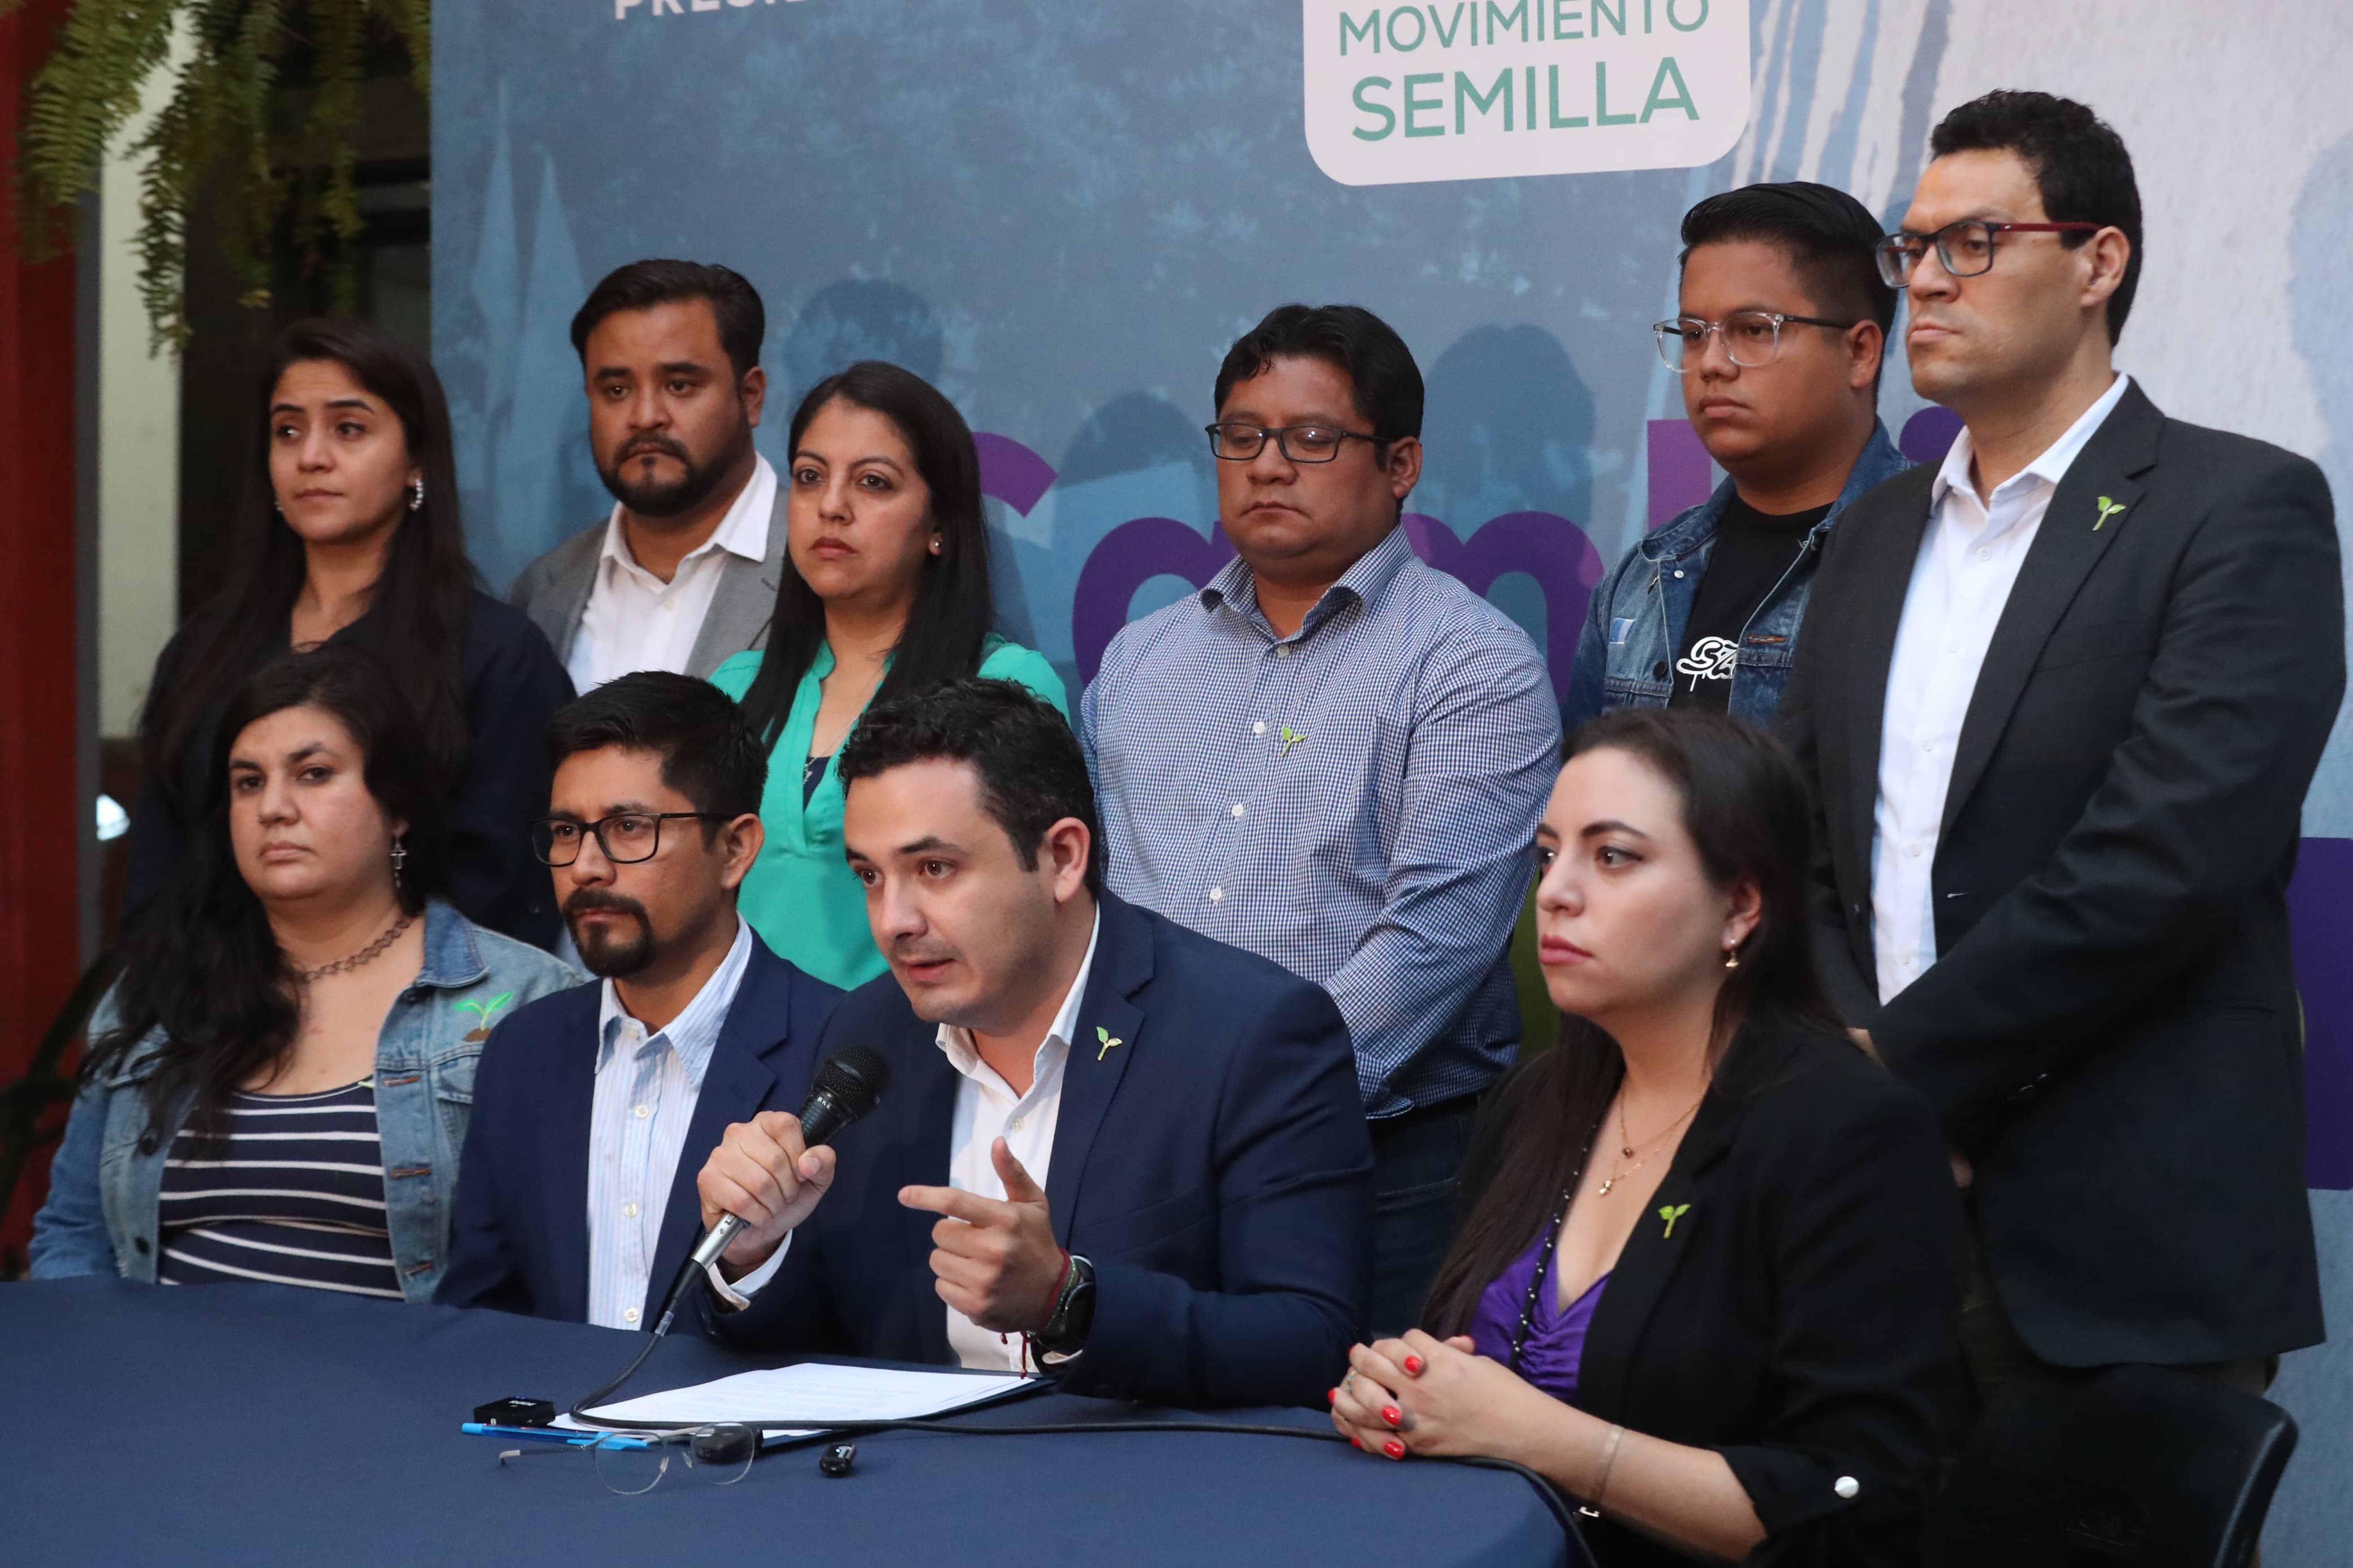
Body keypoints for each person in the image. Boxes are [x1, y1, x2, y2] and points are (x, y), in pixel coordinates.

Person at [1778, 90, 2341, 1407]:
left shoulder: (2238, 508)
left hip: (2122, 1237)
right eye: (1908, 247)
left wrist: (1898, 1073)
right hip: (1873, 1229)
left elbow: (2164, 861)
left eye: (1970, 242)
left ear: (2098, 262)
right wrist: (1865, 1094)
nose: (1923, 278)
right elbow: (1795, 844)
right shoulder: (1869, 534)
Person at [1330, 710, 1964, 1567]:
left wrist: (1538, 1435)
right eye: (1548, 855)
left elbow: (1856, 1505)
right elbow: (1466, 1369)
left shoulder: (1851, 1133)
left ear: (1740, 906)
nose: (1555, 892)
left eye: (1614, 855)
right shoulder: (1536, 1102)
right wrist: (1404, 1394)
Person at [692, 679, 1372, 1409]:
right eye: (869, 876)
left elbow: (1311, 1339)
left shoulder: (1252, 1032)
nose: (892, 921)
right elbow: (828, 1340)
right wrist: (755, 1251)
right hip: (908, 1491)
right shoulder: (869, 1034)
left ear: (1063, 858)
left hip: (1144, 1498)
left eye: (935, 869)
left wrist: (1068, 1301)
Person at [1081, 304, 1559, 1332]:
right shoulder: (1139, 661)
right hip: (1148, 1154)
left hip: (1379, 1163)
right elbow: (1100, 914)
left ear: (1400, 464)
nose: (1266, 466)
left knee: (1349, 1464)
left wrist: (1236, 1097)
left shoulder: (1472, 665)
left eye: (1310, 440)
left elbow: (1433, 944)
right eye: (1241, 437)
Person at [32, 647, 576, 1298]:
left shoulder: (525, 999)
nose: (274, 808)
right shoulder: (156, 993)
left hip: (406, 1391)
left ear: (397, 806)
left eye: (314, 774)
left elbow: (556, 1270)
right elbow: (73, 1232)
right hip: (158, 1384)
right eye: (248, 782)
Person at [123, 317, 575, 950]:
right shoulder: (205, 650)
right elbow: (158, 877)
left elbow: (504, 891)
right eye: (287, 430)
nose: (311, 455)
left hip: (423, 1030)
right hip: (210, 1019)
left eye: (348, 428)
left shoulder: (492, 654)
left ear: (416, 459)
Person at [436, 672, 842, 1331]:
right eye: (566, 831)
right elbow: (482, 1318)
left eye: (629, 827)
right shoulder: (522, 1052)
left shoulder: (838, 1052)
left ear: (735, 848)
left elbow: (873, 1332)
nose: (587, 866)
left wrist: (749, 1261)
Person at [710, 360, 1067, 991]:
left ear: (938, 524)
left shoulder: (1004, 683)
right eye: (809, 477)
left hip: (922, 1055)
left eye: (873, 482)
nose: (832, 506)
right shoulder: (732, 689)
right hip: (744, 1064)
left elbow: (1042, 918)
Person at [1563, 183, 1910, 728]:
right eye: (1695, 333)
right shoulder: (1643, 576)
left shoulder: (1935, 552)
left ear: (1860, 352)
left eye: (1753, 330)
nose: (1712, 364)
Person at [509, 260, 788, 689]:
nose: (644, 417)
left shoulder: (829, 564)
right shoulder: (542, 592)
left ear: (750, 397)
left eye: (679, 385)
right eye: (617, 391)